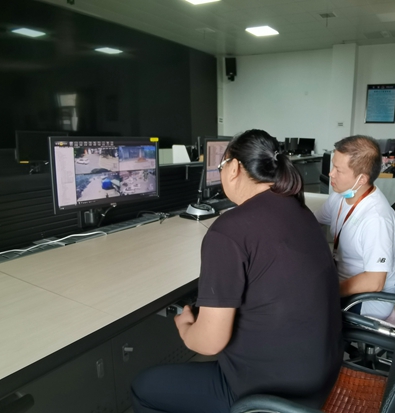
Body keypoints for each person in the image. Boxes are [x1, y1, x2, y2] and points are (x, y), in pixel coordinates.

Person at [132, 130, 343, 413]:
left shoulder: (229, 231)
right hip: (319, 376)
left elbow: (209, 343)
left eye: (221, 166)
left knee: (144, 387)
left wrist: (186, 328)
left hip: (268, 393)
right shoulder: (299, 208)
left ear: (233, 168)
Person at [315, 136, 395, 320]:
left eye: (338, 170)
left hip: (366, 299)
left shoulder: (376, 219)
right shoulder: (340, 195)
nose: (331, 174)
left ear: (361, 179)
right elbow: (313, 222)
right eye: (333, 166)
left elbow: (374, 282)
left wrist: (328, 291)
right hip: (340, 277)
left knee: (301, 304)